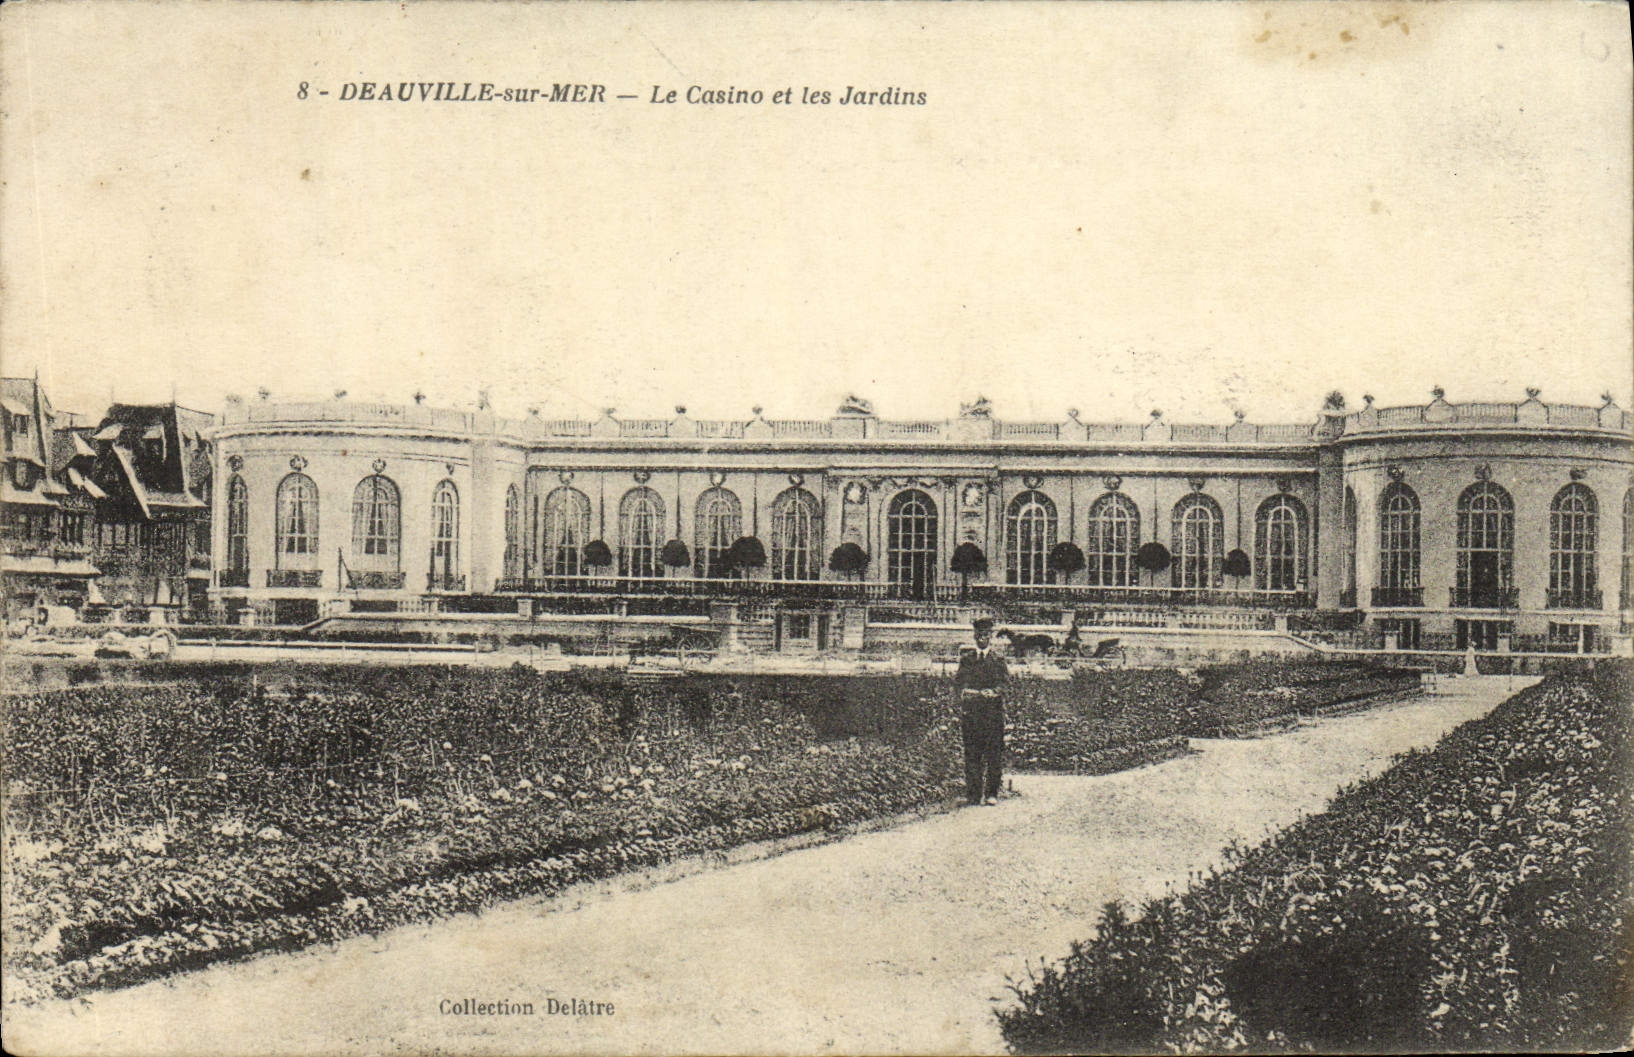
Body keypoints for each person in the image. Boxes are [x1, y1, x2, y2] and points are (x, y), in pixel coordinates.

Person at [954, 616, 1009, 806]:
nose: (982, 638)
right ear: (974, 636)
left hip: (993, 714)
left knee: (993, 754)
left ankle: (992, 793)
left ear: (991, 636)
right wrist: (966, 692)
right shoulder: (967, 660)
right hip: (972, 714)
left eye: (985, 635)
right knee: (972, 754)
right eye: (979, 635)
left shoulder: (998, 659)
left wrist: (994, 692)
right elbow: (959, 683)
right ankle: (974, 795)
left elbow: (1005, 684)